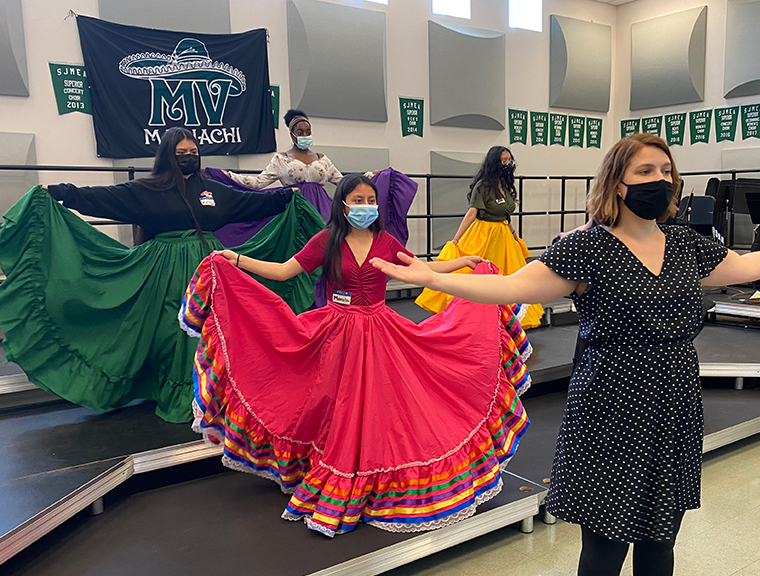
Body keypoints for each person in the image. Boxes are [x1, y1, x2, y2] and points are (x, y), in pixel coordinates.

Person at [370, 134, 760, 576]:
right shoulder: (587, 248)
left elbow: (743, 266)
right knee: (602, 539)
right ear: (616, 181)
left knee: (660, 535)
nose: (659, 180)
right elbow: (516, 286)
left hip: (672, 402)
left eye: (665, 170)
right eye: (644, 170)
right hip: (608, 404)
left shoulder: (687, 243)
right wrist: (436, 277)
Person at [179, 174, 533, 536]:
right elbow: (286, 272)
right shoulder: (326, 240)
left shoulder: (385, 241)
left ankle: (370, 473)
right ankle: (331, 464)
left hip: (380, 332)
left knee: (379, 409)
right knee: (329, 404)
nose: (365, 206)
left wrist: (462, 263)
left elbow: (422, 273)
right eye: (358, 200)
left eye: (370, 200)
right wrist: (235, 260)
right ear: (342, 204)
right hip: (334, 333)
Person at [0, 127, 321, 423]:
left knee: (216, 329)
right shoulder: (147, 190)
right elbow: (102, 198)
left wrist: (289, 195)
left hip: (212, 272)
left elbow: (251, 203)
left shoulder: (213, 191)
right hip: (164, 275)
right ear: (168, 154)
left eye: (193, 151)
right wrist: (61, 192)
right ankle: (185, 396)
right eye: (181, 151)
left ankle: (215, 393)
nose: (189, 156)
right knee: (174, 334)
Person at [416, 146, 544, 329]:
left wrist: (514, 235)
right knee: (480, 275)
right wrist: (456, 239)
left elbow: (506, 214)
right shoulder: (483, 186)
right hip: (485, 233)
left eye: (509, 160)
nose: (507, 164)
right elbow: (471, 213)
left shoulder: (506, 185)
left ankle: (505, 320)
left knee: (510, 278)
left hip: (504, 236)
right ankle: (477, 318)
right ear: (494, 163)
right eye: (503, 161)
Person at [224, 109, 384, 188]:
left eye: (308, 132)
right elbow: (258, 182)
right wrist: (228, 176)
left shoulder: (323, 159)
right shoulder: (281, 159)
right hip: (294, 208)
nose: (305, 135)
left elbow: (343, 182)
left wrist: (370, 176)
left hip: (320, 208)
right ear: (292, 134)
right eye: (300, 132)